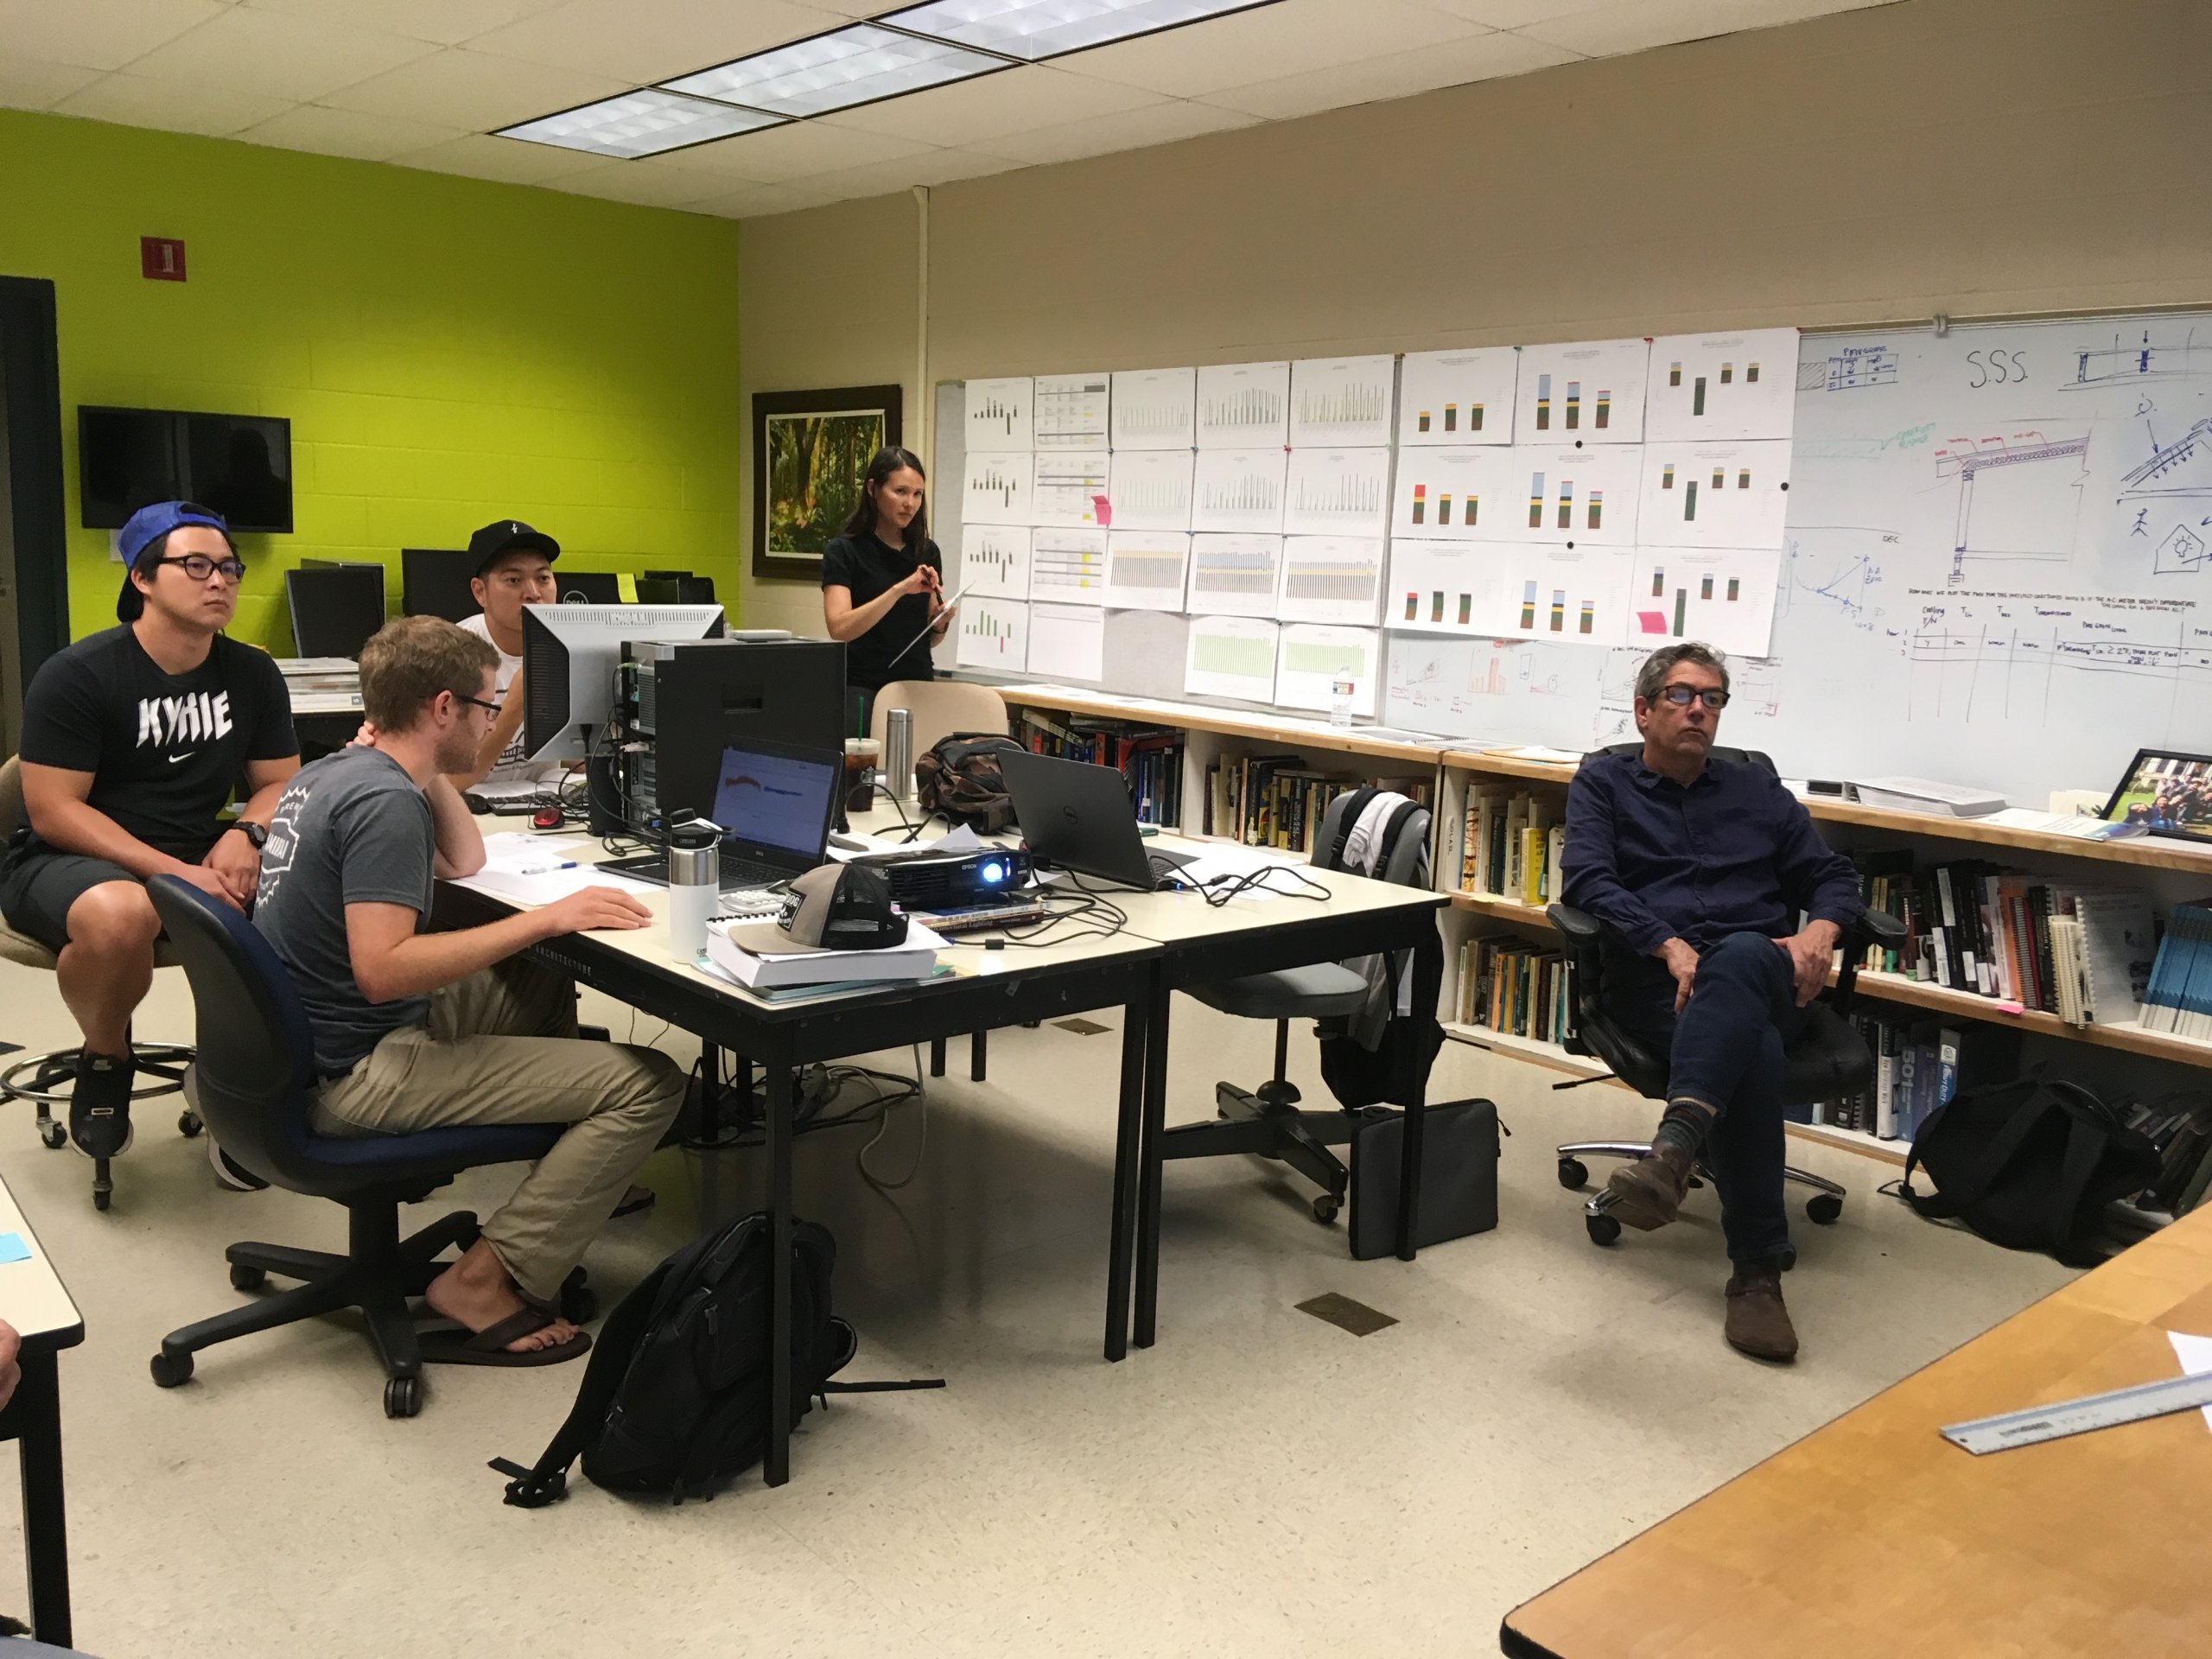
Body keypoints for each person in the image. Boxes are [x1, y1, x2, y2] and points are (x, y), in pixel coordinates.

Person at [253, 616, 685, 1362]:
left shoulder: (338, 770)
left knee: (536, 974)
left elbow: (464, 857)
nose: (492, 726)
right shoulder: (382, 802)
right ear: (444, 708)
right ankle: (485, 1281)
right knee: (649, 1084)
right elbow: (382, 968)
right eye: (486, 708)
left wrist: (426, 772)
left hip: (305, 1042)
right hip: (356, 1070)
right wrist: (542, 919)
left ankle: (562, 1177)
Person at [1559, 641, 1861, 1363]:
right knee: (1750, 1048)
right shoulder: (1603, 785)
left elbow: (1832, 875)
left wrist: (1821, 927)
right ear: (1643, 710)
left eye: (1714, 698)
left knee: (1748, 953)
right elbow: (1587, 883)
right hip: (1656, 988)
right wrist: (1666, 943)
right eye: (1681, 695)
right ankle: (1756, 1273)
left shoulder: (1758, 794)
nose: (1700, 709)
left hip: (1764, 976)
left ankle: (1674, 1152)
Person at [0, 501, 298, 1164]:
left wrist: (246, 832)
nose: (219, 580)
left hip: (196, 852)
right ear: (142, 578)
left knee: (315, 893)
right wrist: (171, 870)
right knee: (122, 913)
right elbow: (53, 810)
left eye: (228, 566)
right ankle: (106, 1055)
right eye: (195, 565)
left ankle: (239, 1086)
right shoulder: (79, 674)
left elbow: (280, 781)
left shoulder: (251, 674)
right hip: (63, 860)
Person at [820, 446, 953, 715]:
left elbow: (927, 640)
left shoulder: (926, 552)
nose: (910, 503)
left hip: (917, 687)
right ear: (873, 489)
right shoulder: (844, 551)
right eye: (900, 491)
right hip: (862, 691)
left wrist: (940, 623)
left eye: (917, 494)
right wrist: (899, 590)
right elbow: (839, 627)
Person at [442, 518, 563, 797]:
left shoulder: (568, 649)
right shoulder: (452, 656)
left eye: (543, 578)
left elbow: (577, 763)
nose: (533, 594)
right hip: (473, 811)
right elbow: (447, 782)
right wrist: (514, 707)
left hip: (543, 808)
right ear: (480, 591)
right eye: (513, 580)